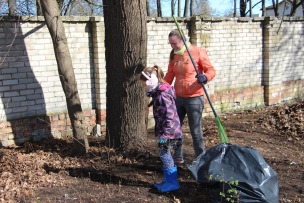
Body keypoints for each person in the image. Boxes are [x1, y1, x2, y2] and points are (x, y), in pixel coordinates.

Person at [164, 29, 216, 162]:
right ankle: (178, 155)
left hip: (194, 97)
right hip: (178, 98)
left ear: (183, 40)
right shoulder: (174, 55)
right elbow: (170, 75)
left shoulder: (197, 52)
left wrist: (205, 77)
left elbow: (211, 70)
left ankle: (200, 159)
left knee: (196, 131)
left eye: (174, 43)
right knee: (176, 129)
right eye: (170, 44)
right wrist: (160, 89)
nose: (172, 47)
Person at [140, 65, 183, 192]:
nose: (144, 86)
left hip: (169, 132)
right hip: (168, 130)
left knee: (165, 154)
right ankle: (168, 180)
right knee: (165, 154)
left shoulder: (162, 95)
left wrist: (165, 134)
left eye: (144, 84)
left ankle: (172, 182)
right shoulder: (159, 92)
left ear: (151, 81)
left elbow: (169, 115)